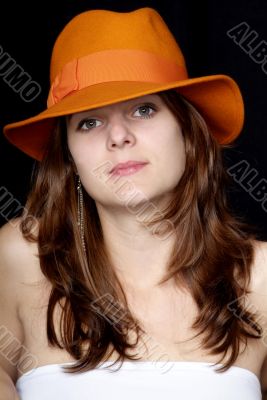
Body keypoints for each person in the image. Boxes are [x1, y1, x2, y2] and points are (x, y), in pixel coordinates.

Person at [0, 6, 267, 400]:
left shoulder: (260, 278)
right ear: (70, 156)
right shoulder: (21, 256)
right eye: (89, 121)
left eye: (144, 109)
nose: (118, 136)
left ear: (188, 134)